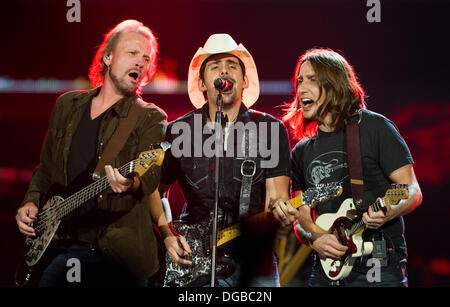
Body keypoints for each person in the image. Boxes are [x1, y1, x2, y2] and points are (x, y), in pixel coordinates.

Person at [15, 19, 177, 287]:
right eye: (132, 53)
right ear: (108, 57)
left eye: (146, 58)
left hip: (118, 254)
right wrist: (30, 201)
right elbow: (46, 168)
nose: (140, 62)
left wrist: (131, 182)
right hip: (61, 247)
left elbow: (150, 176)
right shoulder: (68, 105)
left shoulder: (150, 117)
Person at [157, 34, 296, 287]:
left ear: (244, 81)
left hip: (252, 257)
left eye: (233, 66)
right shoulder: (178, 130)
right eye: (215, 66)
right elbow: (156, 193)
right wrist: (169, 235)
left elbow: (278, 198)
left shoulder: (270, 130)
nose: (225, 71)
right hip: (193, 261)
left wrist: (283, 214)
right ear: (202, 83)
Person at [279, 48, 423, 287]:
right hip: (326, 268)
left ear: (334, 83)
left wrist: (389, 210)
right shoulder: (301, 152)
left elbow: (411, 190)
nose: (301, 88)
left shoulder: (375, 127)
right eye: (299, 81)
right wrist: (316, 238)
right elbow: (301, 216)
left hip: (377, 265)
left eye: (312, 79)